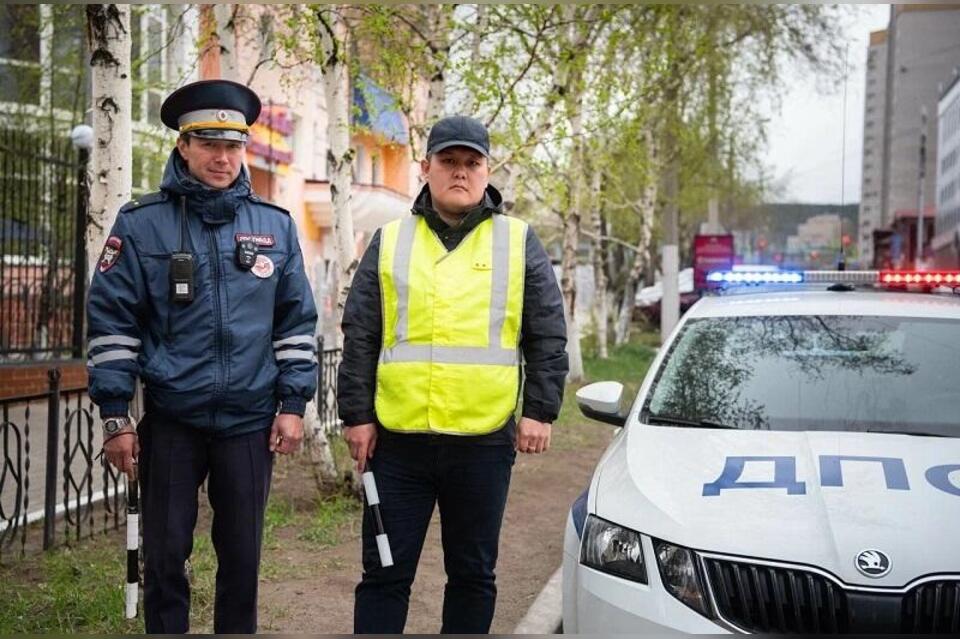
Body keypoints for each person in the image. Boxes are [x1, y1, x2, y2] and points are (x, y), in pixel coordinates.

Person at [88, 79, 318, 634]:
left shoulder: (276, 226)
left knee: (242, 560)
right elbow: (113, 323)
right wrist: (116, 416)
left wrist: (293, 402)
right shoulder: (141, 225)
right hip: (172, 422)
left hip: (248, 422)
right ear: (183, 147)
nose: (223, 157)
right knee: (166, 558)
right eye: (209, 144)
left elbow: (295, 322)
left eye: (234, 145)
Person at [338, 115, 569, 633]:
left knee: (472, 573)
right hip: (397, 443)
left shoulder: (517, 241)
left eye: (471, 163)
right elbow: (361, 335)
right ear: (426, 169)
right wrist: (355, 415)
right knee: (384, 574)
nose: (459, 173)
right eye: (448, 162)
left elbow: (547, 333)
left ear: (487, 172)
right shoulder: (390, 240)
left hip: (482, 440)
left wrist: (539, 410)